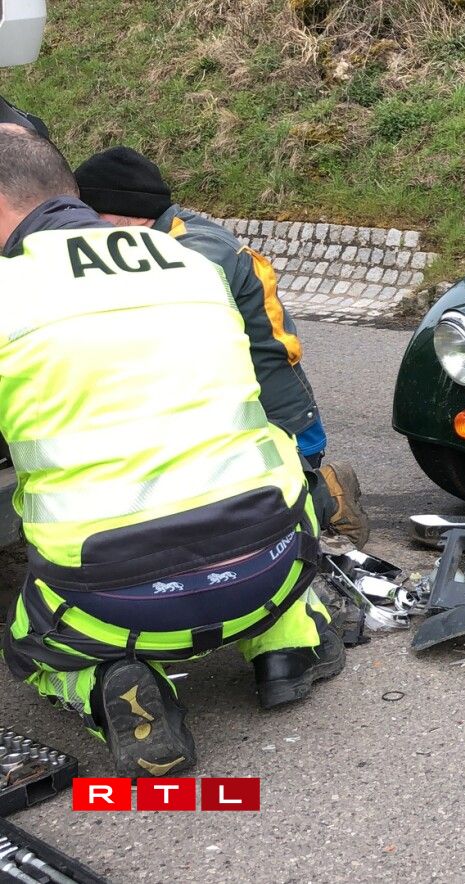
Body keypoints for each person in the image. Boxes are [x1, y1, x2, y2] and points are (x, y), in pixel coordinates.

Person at [0, 124, 344, 777]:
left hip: (114, 599)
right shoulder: (194, 263)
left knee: (27, 641)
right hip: (269, 561)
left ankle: (106, 683)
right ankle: (288, 645)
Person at [72, 146, 369, 546]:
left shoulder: (195, 251)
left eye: (90, 216)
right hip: (236, 416)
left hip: (277, 426)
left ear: (127, 212)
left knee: (237, 520)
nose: (79, 230)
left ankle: (329, 493)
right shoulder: (149, 242)